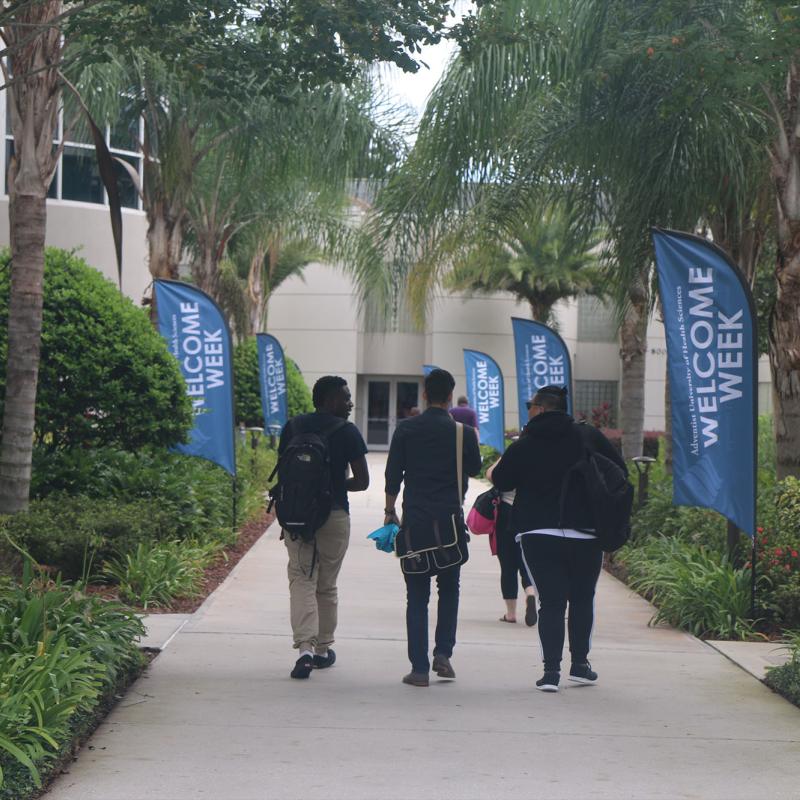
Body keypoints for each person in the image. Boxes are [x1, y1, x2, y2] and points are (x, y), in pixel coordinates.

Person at [490, 385, 627, 692]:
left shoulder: (526, 443)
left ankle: (551, 673)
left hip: (538, 532)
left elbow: (502, 480)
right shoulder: (587, 436)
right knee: (581, 599)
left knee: (551, 602)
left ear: (540, 409)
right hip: (585, 532)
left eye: (530, 405)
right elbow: (619, 471)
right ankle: (580, 666)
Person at [384, 369, 482, 687]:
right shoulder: (462, 433)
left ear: (425, 395)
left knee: (416, 596)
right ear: (451, 396)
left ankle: (419, 669)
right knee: (449, 589)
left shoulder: (406, 430)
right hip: (450, 525)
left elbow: (392, 477)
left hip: (414, 523)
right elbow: (475, 468)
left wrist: (389, 512)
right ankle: (443, 653)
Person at [277, 375, 369, 679]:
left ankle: (304, 648)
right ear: (329, 400)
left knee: (301, 578)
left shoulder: (293, 426)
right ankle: (322, 650)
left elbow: (286, 474)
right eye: (345, 397)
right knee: (326, 585)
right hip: (334, 514)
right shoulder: (348, 432)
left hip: (297, 516)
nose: (350, 403)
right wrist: (330, 486)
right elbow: (363, 481)